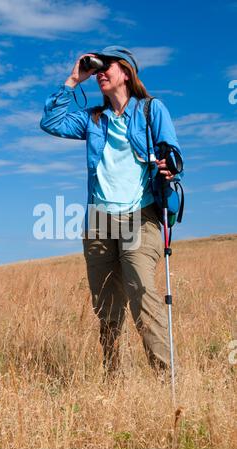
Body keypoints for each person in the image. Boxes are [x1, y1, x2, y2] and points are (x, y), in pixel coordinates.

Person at [40, 46, 183, 378]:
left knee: (142, 298)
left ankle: (166, 380)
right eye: (97, 67)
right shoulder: (92, 119)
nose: (100, 72)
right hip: (99, 221)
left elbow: (174, 156)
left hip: (140, 215)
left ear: (127, 73)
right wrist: (75, 79)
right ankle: (113, 376)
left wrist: (170, 167)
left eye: (107, 67)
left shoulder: (151, 110)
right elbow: (50, 121)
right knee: (106, 308)